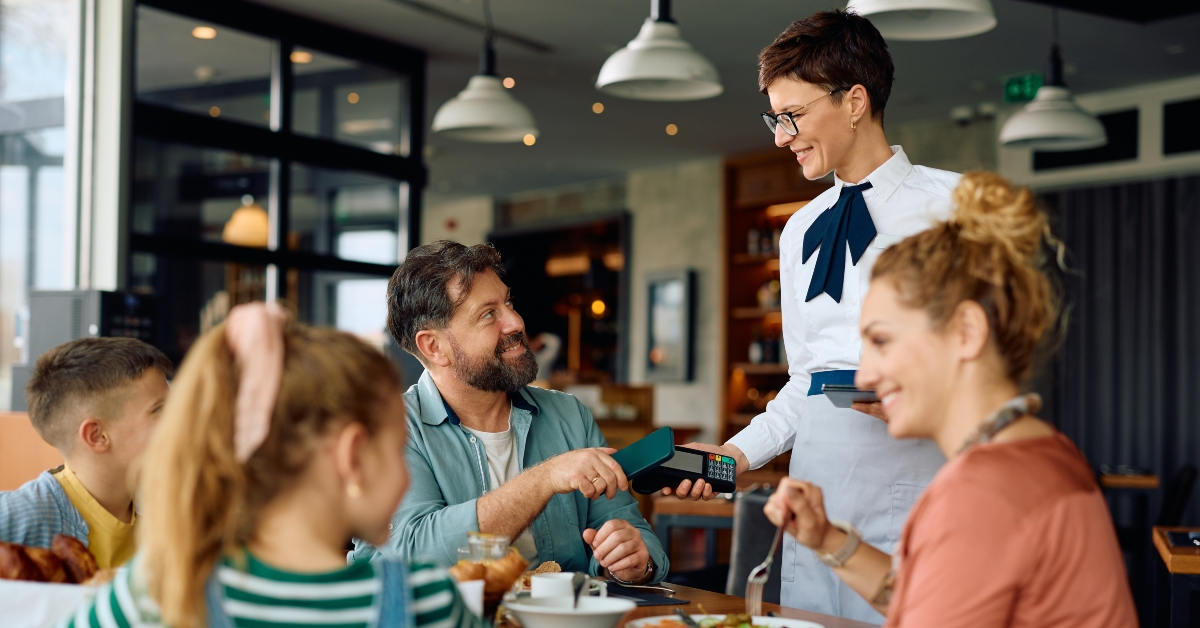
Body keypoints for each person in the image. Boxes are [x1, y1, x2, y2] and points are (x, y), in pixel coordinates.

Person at [662, 10, 956, 621]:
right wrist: (728, 459)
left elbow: (997, 358)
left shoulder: (952, 206)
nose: (780, 136)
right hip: (816, 490)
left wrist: (919, 391)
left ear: (854, 101)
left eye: (791, 116)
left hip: (915, 477)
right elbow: (805, 384)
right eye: (775, 118)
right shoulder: (798, 231)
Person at [762, 172, 1137, 626]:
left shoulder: (980, 491)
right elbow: (927, 594)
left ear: (966, 332)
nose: (866, 374)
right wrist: (827, 540)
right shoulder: (1043, 451)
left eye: (882, 341)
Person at [61, 304, 481, 628]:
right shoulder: (426, 602)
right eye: (398, 449)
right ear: (352, 456)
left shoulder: (155, 595)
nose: (407, 475)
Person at [353, 241, 668, 585]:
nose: (516, 321)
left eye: (509, 303)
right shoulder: (389, 428)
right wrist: (545, 478)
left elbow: (628, 526)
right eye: (488, 314)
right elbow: (417, 550)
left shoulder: (569, 415)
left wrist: (634, 560)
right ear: (434, 346)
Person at [0, 337, 171, 569]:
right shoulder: (20, 515)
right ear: (97, 436)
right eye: (159, 409)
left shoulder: (168, 509)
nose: (179, 419)